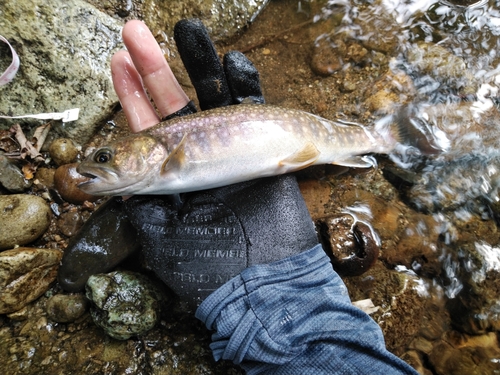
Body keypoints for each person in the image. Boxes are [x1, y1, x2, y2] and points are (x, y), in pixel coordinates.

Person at [62, 18, 419, 374]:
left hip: (301, 141)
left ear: (148, 148)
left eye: (105, 158)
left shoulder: (166, 153)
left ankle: (390, 138)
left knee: (345, 144)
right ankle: (394, 139)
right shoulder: (157, 161)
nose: (93, 169)